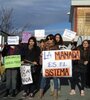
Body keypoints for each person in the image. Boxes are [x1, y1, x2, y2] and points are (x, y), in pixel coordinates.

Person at [39, 34, 59, 99]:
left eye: (51, 39)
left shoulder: (56, 46)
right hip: (46, 65)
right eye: (48, 39)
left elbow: (59, 55)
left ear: (53, 39)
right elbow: (41, 55)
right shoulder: (44, 46)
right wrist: (41, 54)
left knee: (55, 78)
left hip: (54, 65)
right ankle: (41, 93)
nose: (49, 40)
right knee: (43, 78)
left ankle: (55, 93)